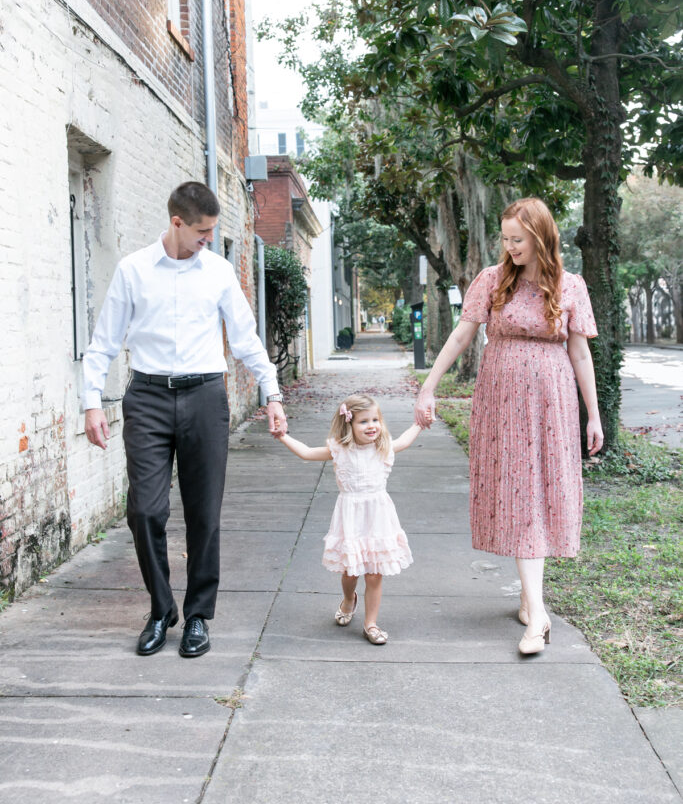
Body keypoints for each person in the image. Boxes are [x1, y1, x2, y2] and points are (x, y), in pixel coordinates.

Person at [82, 181, 287, 658]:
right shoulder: (133, 271)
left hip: (204, 397)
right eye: (202, 231)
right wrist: (92, 402)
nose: (209, 239)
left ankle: (197, 616)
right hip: (148, 398)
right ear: (177, 223)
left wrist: (271, 393)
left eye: (212, 231)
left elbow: (245, 338)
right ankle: (161, 610)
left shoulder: (217, 273)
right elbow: (104, 341)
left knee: (204, 514)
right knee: (145, 510)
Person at [414, 197, 603, 655]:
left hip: (552, 404)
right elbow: (462, 334)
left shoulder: (570, 285)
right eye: (505, 239)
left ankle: (532, 602)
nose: (509, 247)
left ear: (540, 238)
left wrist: (593, 413)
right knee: (519, 493)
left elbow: (579, 352)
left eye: (517, 239)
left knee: (541, 491)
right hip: (502, 404)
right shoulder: (492, 281)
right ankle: (537, 611)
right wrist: (428, 386)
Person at [273, 394, 424, 644]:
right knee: (350, 571)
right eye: (364, 421)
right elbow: (308, 453)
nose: (372, 425)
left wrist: (420, 423)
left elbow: (405, 441)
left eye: (375, 419)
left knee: (375, 572)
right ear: (349, 424)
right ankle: (348, 599)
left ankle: (371, 624)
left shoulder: (382, 447)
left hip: (378, 517)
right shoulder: (340, 450)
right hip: (351, 517)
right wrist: (282, 436)